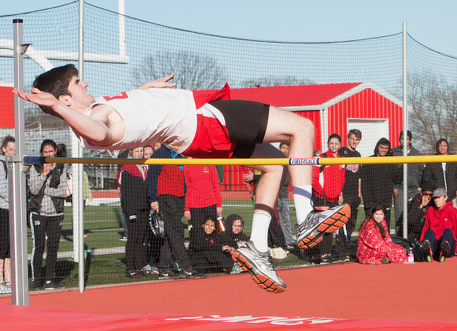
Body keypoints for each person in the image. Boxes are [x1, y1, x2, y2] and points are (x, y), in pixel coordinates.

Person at [15, 64, 351, 293]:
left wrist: (150, 90)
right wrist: (59, 110)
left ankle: (258, 247)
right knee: (302, 128)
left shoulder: (101, 105)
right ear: (65, 100)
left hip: (195, 137)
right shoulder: (94, 121)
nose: (85, 83)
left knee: (275, 166)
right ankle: (307, 216)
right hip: (204, 120)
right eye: (77, 83)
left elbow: (127, 108)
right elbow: (100, 131)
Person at [147, 145, 204, 279]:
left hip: (179, 197)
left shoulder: (180, 154)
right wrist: (153, 199)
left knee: (169, 234)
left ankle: (164, 268)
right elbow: (152, 177)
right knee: (176, 232)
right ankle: (187, 267)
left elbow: (183, 179)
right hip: (166, 197)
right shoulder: (160, 154)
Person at [28, 139, 67, 290]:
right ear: (41, 153)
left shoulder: (61, 167)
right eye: (45, 152)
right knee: (38, 247)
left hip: (56, 213)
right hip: (38, 213)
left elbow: (62, 191)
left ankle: (50, 279)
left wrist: (47, 190)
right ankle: (37, 279)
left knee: (53, 247)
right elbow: (34, 189)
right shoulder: (35, 167)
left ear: (55, 151)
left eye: (51, 151)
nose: (48, 154)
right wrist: (44, 174)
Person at [312, 134, 345, 263]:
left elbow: (342, 179)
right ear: (328, 144)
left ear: (340, 145)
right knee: (322, 228)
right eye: (331, 143)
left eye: (336, 143)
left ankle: (327, 253)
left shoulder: (341, 160)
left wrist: (340, 194)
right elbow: (314, 180)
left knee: (331, 227)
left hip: (335, 199)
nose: (334, 146)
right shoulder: (322, 158)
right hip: (323, 199)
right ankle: (322, 254)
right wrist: (322, 194)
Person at [118, 147, 150, 278]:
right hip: (133, 209)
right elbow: (126, 193)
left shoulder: (145, 167)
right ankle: (131, 267)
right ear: (131, 152)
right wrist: (130, 212)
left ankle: (140, 265)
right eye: (137, 151)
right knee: (133, 238)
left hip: (144, 208)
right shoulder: (127, 169)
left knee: (142, 239)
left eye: (141, 151)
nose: (140, 153)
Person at [361, 138, 401, 231]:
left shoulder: (391, 162)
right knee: (370, 229)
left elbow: (397, 179)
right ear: (377, 147)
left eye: (386, 148)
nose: (383, 150)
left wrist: (402, 166)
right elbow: (364, 182)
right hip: (371, 202)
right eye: (381, 147)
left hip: (385, 202)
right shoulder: (369, 161)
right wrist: (367, 201)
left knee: (384, 230)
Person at [392, 131, 423, 236]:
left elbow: (420, 172)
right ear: (399, 140)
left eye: (406, 139)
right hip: (400, 189)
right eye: (402, 139)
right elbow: (390, 172)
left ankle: (411, 241)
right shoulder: (394, 152)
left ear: (411, 140)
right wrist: (394, 186)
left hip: (414, 190)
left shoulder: (416, 154)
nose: (404, 141)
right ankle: (399, 242)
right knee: (399, 217)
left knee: (413, 217)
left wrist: (420, 188)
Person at [183, 162, 222, 245]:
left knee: (212, 232)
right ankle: (198, 255)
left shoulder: (209, 163)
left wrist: (219, 204)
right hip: (194, 206)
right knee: (197, 233)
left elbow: (215, 184)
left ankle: (213, 252)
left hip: (210, 204)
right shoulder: (187, 165)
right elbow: (186, 189)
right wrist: (186, 208)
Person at [338, 129, 362, 255]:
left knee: (352, 223)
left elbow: (359, 176)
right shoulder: (342, 152)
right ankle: (340, 249)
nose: (354, 141)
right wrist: (340, 193)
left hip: (354, 194)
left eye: (357, 139)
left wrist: (359, 193)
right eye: (352, 138)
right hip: (345, 193)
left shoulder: (358, 155)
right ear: (348, 138)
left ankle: (346, 248)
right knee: (343, 222)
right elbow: (338, 173)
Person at [420, 188, 457, 263]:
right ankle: (428, 250)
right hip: (435, 245)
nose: (436, 200)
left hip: (449, 244)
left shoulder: (452, 210)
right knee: (429, 232)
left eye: (439, 197)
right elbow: (426, 227)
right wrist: (422, 241)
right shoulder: (430, 210)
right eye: (435, 198)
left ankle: (444, 249)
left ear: (445, 197)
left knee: (448, 231)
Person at [0, 136, 15, 294]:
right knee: (2, 247)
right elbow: (2, 187)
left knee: (11, 248)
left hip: (13, 209)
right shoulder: (1, 164)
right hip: (3, 209)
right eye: (10, 149)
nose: (13, 152)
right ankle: (0, 281)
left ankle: (9, 280)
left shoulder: (14, 164)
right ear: (4, 149)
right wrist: (14, 199)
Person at [277, 143, 295, 249]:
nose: (285, 150)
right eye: (283, 148)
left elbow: (286, 180)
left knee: (285, 219)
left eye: (287, 148)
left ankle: (288, 240)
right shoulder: (274, 160)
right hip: (273, 196)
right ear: (279, 148)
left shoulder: (288, 163)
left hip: (283, 196)